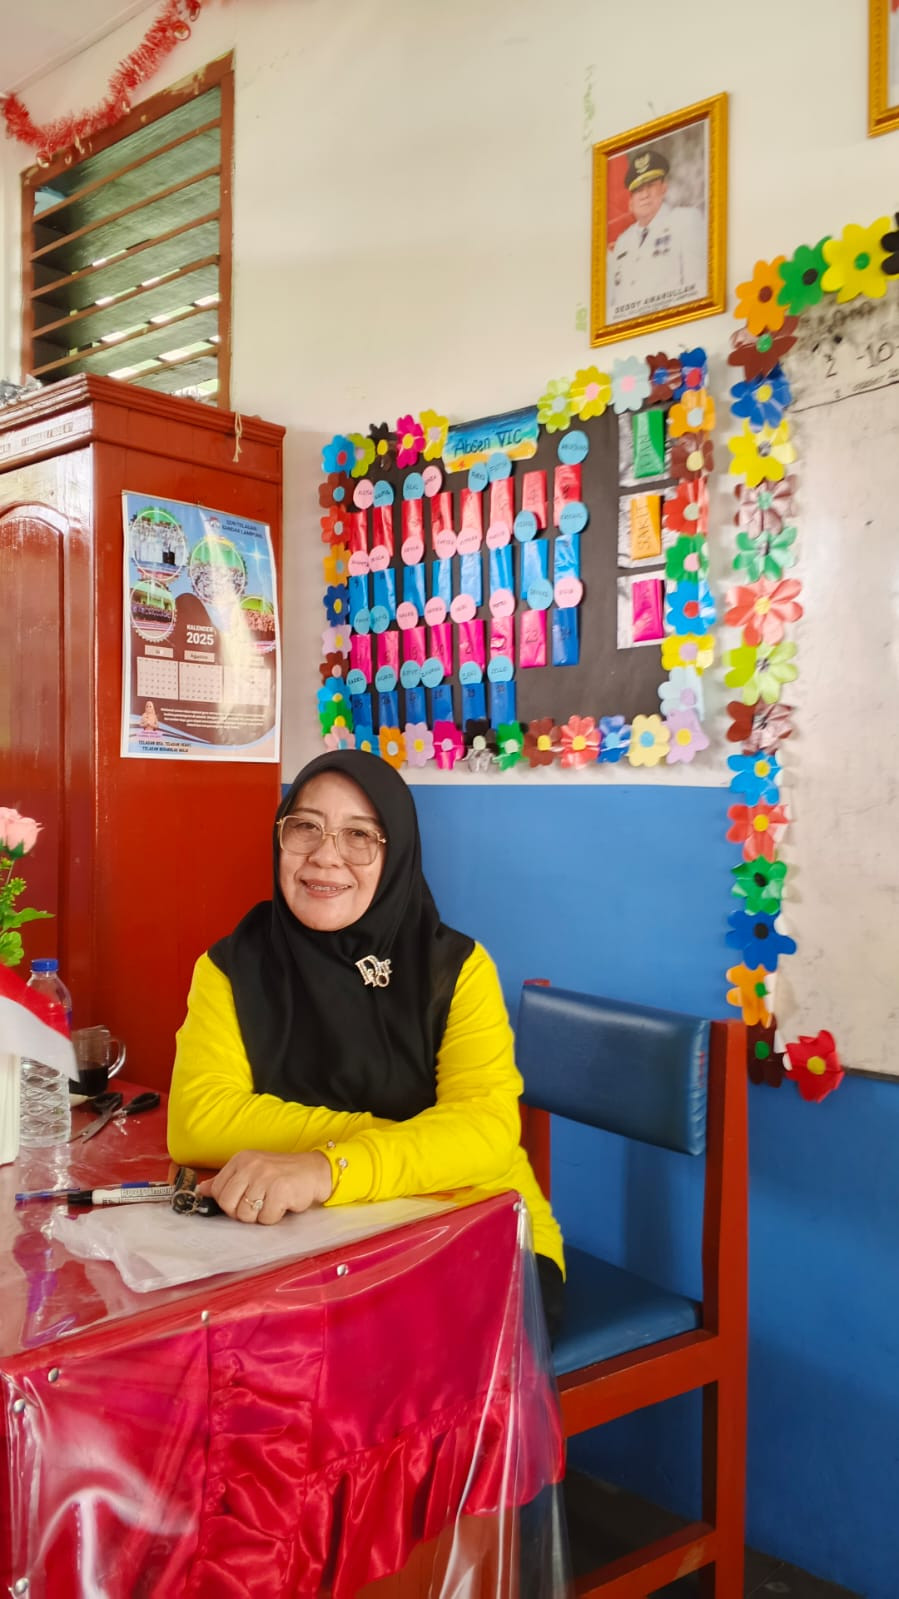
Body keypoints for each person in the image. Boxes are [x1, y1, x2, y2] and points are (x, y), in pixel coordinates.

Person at [167, 749, 565, 1338]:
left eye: (359, 836)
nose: (325, 856)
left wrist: (326, 1170)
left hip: (473, 1223)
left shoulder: (454, 969)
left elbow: (485, 1133)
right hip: (304, 1241)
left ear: (396, 853)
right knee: (236, 1350)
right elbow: (198, 1122)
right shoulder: (231, 967)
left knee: (380, 1352)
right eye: (305, 827)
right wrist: (412, 1140)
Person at [607, 143, 706, 324]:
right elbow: (612, 306)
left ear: (663, 188)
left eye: (650, 185)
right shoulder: (623, 241)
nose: (644, 195)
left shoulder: (685, 220)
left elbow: (698, 287)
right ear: (631, 199)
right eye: (638, 190)